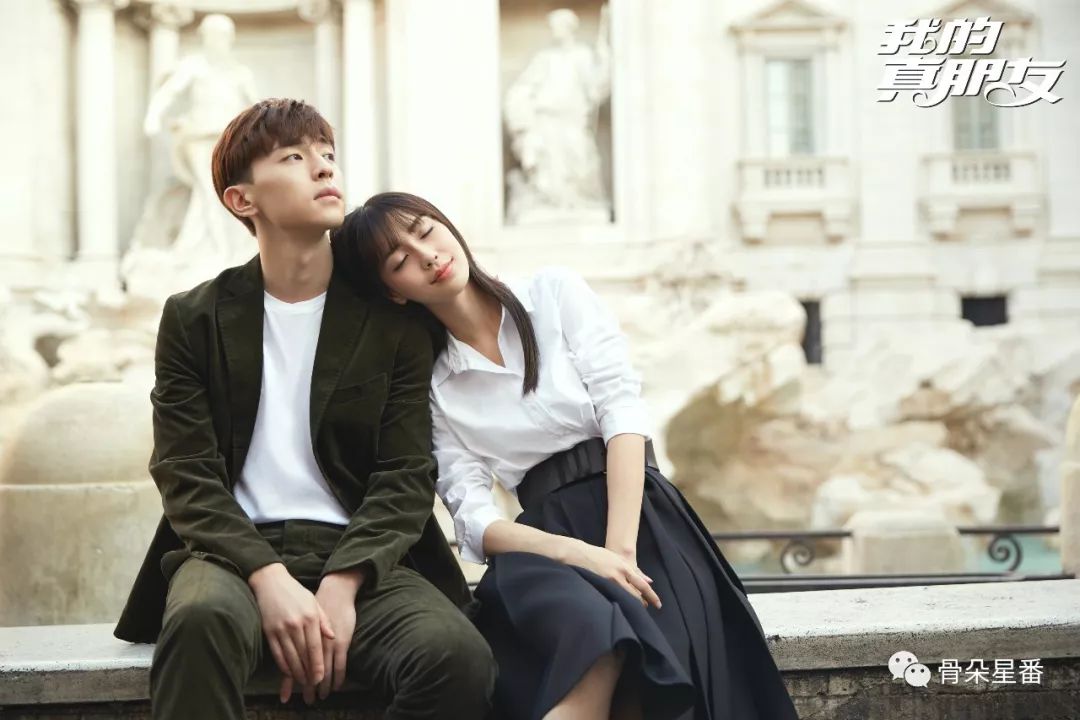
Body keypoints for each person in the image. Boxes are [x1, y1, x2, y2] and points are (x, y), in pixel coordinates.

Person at [331, 191, 800, 720]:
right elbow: (473, 516)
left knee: (647, 680)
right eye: (400, 261)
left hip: (640, 517)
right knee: (591, 638)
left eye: (425, 231)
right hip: (544, 545)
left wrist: (618, 552)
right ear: (392, 292)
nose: (428, 256)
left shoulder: (552, 294)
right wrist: (581, 555)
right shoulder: (434, 384)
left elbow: (621, 411)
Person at [113, 100, 495, 720]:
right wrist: (267, 576)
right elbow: (185, 474)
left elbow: (405, 476)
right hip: (230, 557)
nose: (323, 168)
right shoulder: (193, 318)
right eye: (294, 157)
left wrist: (343, 584)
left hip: (363, 557)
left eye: (327, 154)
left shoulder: (392, 322)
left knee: (456, 657)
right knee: (200, 622)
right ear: (242, 200)